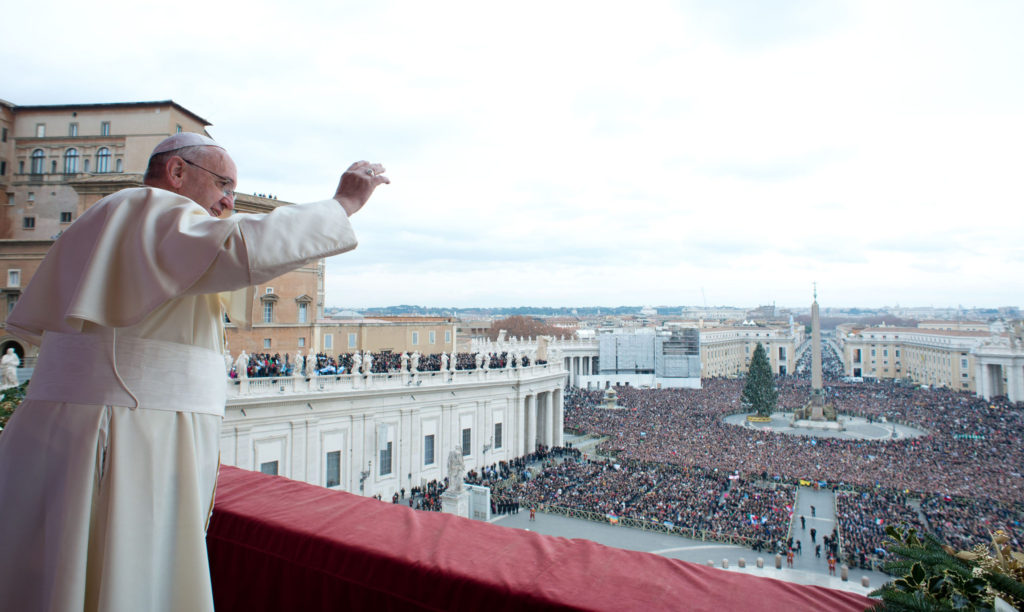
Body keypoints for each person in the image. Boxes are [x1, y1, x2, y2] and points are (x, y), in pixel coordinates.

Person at [0, 132, 388, 611]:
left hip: (114, 426)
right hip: (124, 436)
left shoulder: (130, 226)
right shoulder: (145, 207)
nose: (229, 199)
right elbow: (241, 246)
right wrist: (342, 204)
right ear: (176, 172)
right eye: (223, 183)